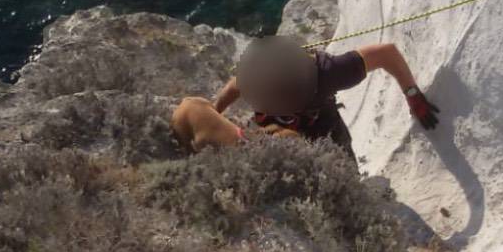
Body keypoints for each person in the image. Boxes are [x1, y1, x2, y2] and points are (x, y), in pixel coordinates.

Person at [171, 35, 439, 164]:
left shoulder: (327, 73)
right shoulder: (259, 78)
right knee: (279, 148)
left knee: (339, 157)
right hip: (278, 129)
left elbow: (386, 53)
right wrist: (216, 111)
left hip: (321, 120)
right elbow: (235, 85)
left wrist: (412, 95)